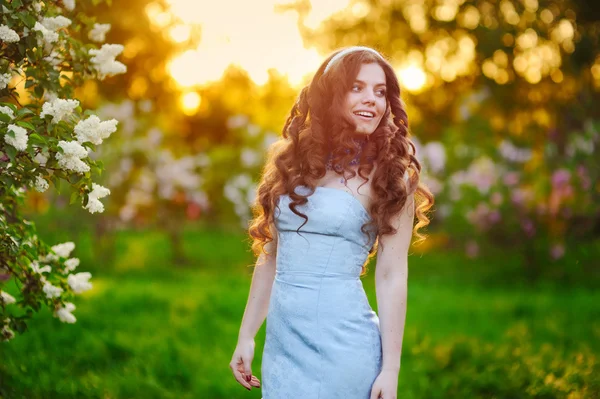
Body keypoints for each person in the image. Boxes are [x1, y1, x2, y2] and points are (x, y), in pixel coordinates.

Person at [229, 46, 434, 399]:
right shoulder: (292, 165)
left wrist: (391, 369)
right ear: (330, 95)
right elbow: (271, 256)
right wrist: (247, 335)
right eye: (357, 88)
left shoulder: (389, 176)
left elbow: (391, 275)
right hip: (283, 348)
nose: (371, 99)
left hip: (346, 346)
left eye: (380, 91)